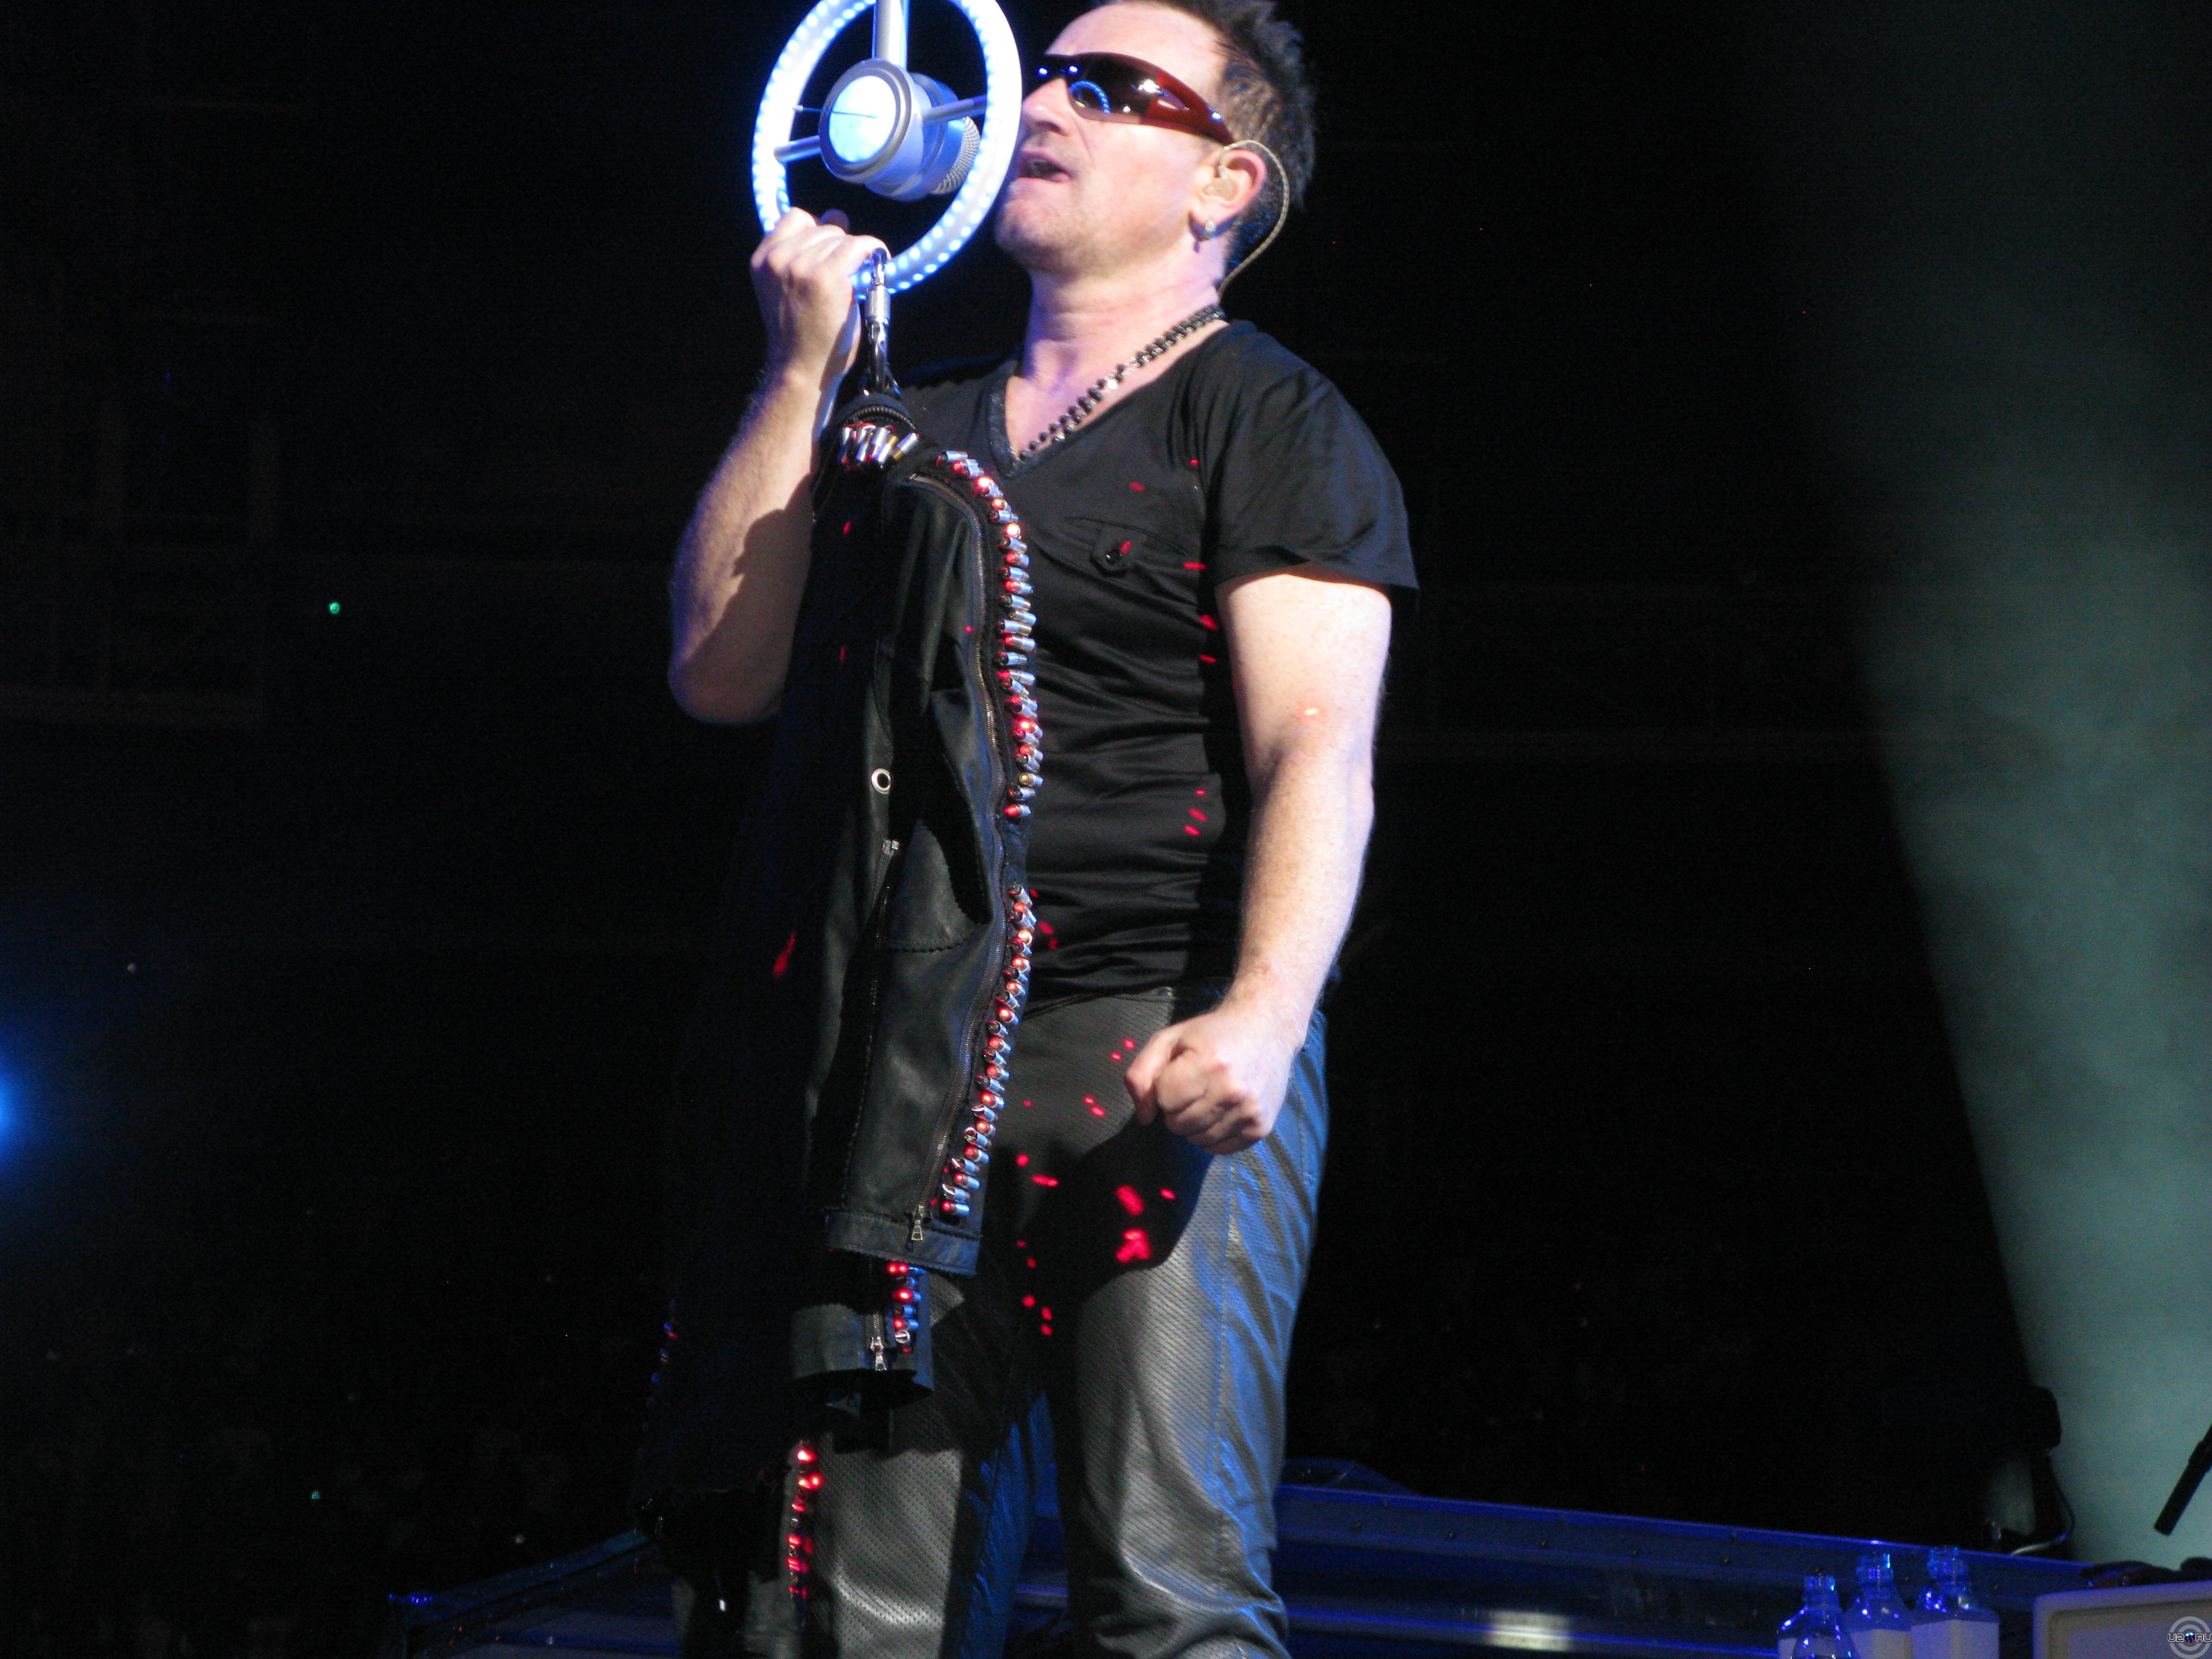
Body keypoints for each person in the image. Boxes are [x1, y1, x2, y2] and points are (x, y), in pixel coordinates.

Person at [653, 1, 1414, 1652]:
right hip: (904, 1082)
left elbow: (1318, 750)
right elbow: (721, 670)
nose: (1042, 102)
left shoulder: (1269, 419)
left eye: (1109, 87)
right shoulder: (906, 428)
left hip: (1149, 1042)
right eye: (1044, 72)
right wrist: (800, 367)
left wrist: (1266, 1013)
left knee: (1169, 1586)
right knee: (856, 1609)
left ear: (1224, 181)